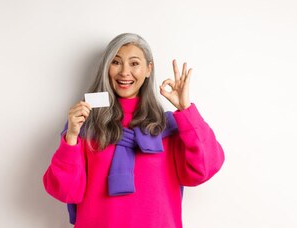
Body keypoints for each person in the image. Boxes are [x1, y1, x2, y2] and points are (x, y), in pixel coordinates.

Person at [43, 33, 225, 228]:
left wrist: (186, 110)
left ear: (149, 69)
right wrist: (71, 136)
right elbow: (65, 191)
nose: (124, 72)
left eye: (134, 63)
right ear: (106, 69)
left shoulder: (168, 126)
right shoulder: (86, 125)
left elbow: (204, 169)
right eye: (116, 62)